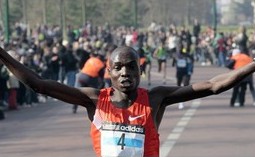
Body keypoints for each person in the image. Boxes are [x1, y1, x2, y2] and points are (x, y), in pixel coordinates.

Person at [1, 45, 255, 157]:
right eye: (118, 68)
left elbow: (213, 85)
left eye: (131, 67)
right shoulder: (93, 100)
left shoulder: (156, 98)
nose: (125, 73)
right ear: (109, 72)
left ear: (140, 72)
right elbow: (38, 84)